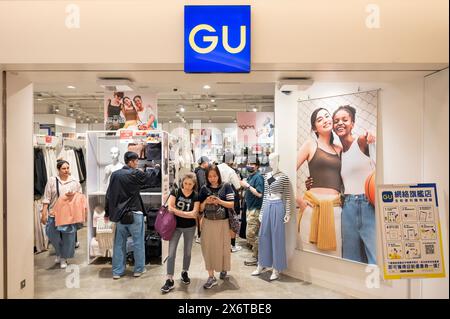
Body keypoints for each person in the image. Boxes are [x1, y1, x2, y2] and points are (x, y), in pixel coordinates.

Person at [105, 151, 161, 279]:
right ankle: (138, 269)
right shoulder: (135, 173)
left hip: (119, 214)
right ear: (130, 161)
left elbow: (109, 195)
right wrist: (157, 168)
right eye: (136, 161)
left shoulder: (115, 175)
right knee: (138, 242)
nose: (137, 163)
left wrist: (107, 211)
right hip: (135, 213)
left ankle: (117, 272)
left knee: (119, 243)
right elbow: (151, 179)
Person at [296, 108, 344, 258]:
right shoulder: (310, 145)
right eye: (319, 119)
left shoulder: (339, 149)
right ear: (314, 127)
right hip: (312, 207)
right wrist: (299, 200)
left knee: (335, 254)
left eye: (327, 116)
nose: (325, 120)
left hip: (335, 208)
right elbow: (285, 173)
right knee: (310, 254)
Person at [332, 105, 376, 264]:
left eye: (345, 119)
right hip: (348, 205)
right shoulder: (339, 153)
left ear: (353, 123)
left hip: (368, 203)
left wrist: (373, 133)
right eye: (336, 121)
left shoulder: (362, 141)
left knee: (374, 256)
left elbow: (379, 146)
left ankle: (377, 289)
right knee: (351, 258)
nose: (340, 123)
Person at [251, 153, 291, 281]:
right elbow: (265, 195)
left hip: (278, 206)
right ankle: (261, 264)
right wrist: (262, 211)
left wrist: (288, 212)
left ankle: (276, 268)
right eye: (269, 160)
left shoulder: (283, 177)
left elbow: (288, 196)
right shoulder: (268, 176)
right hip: (268, 205)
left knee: (277, 237)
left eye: (273, 160)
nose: (271, 162)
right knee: (263, 236)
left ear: (278, 160)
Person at [160, 173, 200, 293]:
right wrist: (187, 214)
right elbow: (170, 208)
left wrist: (179, 212)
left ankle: (184, 272)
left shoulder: (196, 195)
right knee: (171, 253)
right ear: (182, 182)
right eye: (186, 183)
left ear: (194, 184)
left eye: (190, 184)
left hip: (190, 227)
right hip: (175, 227)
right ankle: (169, 279)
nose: (187, 186)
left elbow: (195, 212)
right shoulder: (176, 192)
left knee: (187, 252)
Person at [199, 165, 235, 289]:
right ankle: (211, 276)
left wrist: (219, 201)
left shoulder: (226, 186)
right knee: (208, 248)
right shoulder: (204, 189)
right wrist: (206, 202)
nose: (212, 179)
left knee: (223, 248)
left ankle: (223, 268)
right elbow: (200, 208)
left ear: (218, 175)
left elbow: (231, 204)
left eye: (214, 176)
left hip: (223, 222)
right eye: (210, 176)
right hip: (208, 222)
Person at [41, 160, 82, 269]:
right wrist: (44, 212)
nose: (66, 170)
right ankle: (59, 252)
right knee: (52, 235)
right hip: (53, 213)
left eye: (68, 168)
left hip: (68, 214)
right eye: (63, 168)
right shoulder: (52, 181)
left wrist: (73, 196)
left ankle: (63, 257)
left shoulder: (74, 181)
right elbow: (47, 197)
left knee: (68, 238)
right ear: (58, 169)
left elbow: (79, 196)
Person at [240, 155, 264, 266]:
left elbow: (259, 194)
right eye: (248, 163)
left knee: (251, 235)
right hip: (250, 208)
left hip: (255, 209)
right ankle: (257, 256)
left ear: (257, 166)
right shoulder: (250, 176)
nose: (249, 165)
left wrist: (248, 186)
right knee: (251, 234)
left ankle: (259, 257)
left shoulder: (258, 177)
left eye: (252, 164)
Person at [218, 152, 243, 253]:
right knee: (232, 221)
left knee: (219, 220)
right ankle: (232, 245)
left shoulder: (216, 168)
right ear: (231, 160)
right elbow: (237, 186)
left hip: (217, 196)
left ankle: (220, 244)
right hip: (229, 197)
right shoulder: (231, 170)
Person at [194, 155, 210, 243]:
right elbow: (203, 184)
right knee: (200, 216)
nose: (209, 164)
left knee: (199, 215)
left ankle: (199, 234)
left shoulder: (198, 170)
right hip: (201, 196)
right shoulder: (200, 172)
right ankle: (199, 236)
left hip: (198, 195)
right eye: (207, 162)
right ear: (204, 163)